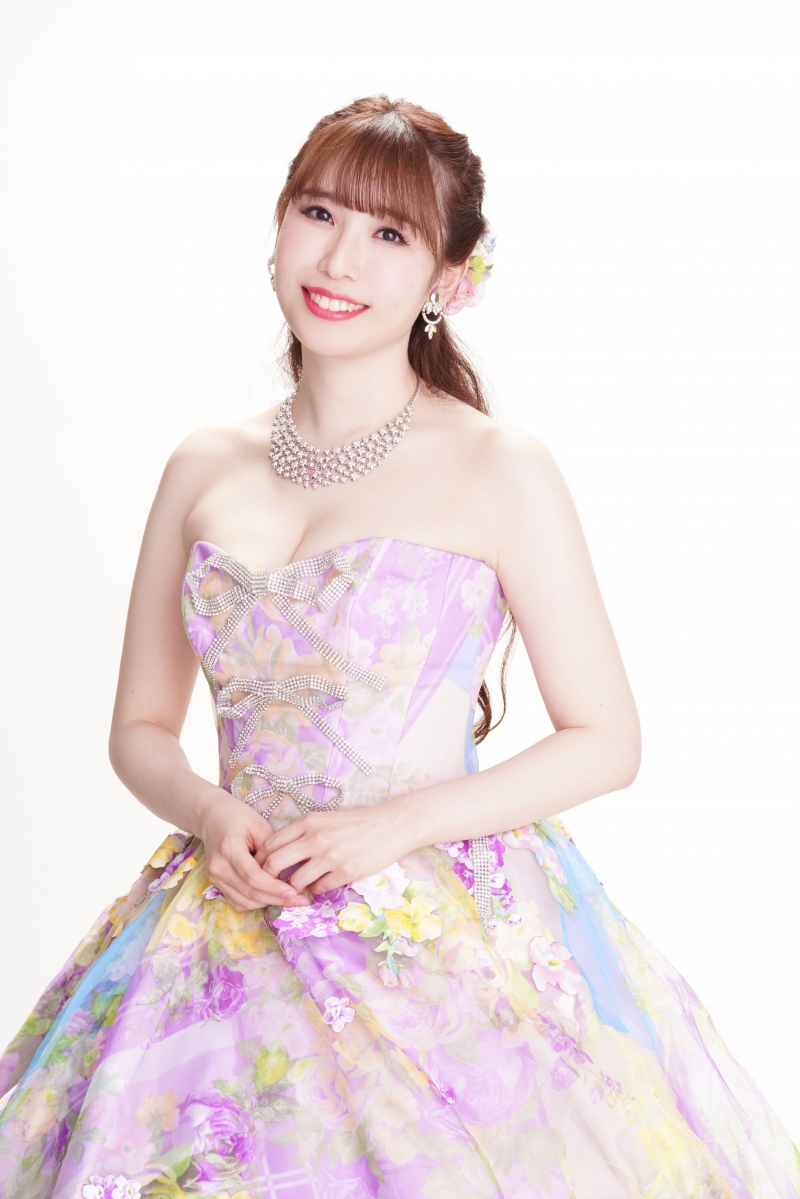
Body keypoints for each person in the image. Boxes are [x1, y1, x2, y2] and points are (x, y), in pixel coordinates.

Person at [0, 95, 796, 1199]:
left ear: (448, 279)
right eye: (318, 212)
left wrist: (394, 826)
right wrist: (212, 815)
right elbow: (139, 727)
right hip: (228, 903)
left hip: (434, 922)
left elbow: (605, 738)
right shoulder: (202, 465)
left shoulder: (497, 466)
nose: (339, 259)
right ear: (278, 228)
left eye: (389, 232)